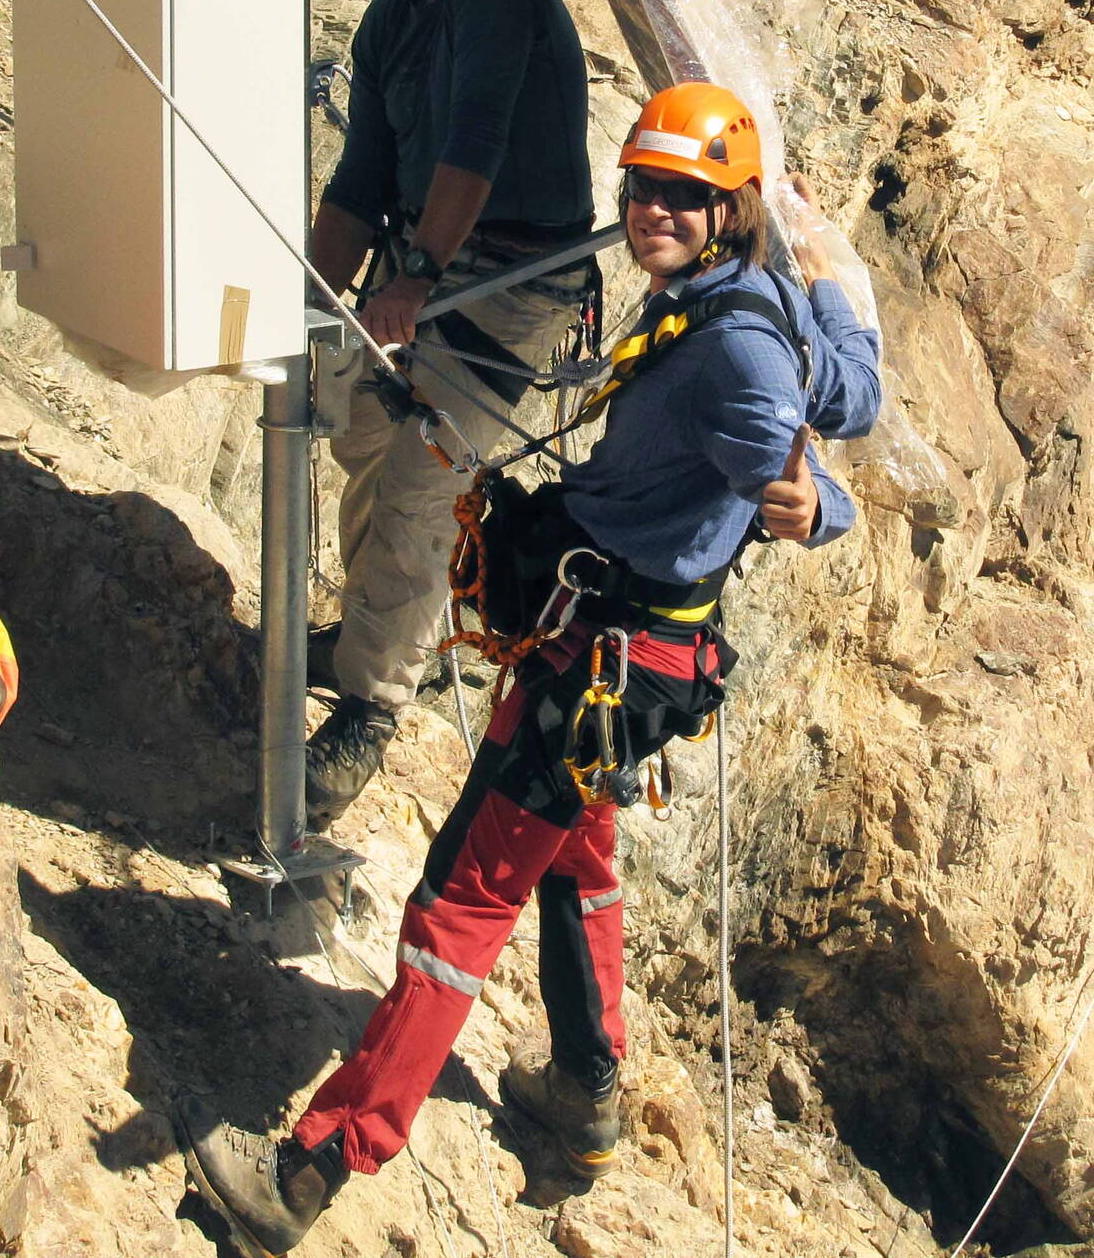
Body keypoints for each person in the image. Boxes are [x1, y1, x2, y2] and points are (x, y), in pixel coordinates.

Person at [180, 83, 882, 1254]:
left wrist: (817, 508)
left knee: (461, 897)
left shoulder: (738, 345)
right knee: (578, 855)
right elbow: (842, 391)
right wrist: (833, 293)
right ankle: (585, 1089)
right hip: (634, 651)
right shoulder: (742, 296)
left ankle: (311, 1170)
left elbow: (786, 450)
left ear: (727, 208)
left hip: (600, 662)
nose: (649, 210)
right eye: (640, 188)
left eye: (680, 195)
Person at [304, 0, 596, 830]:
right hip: (432, 261)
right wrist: (313, 292)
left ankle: (371, 704)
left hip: (514, 274)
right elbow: (360, 177)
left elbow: (477, 130)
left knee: (427, 476)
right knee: (361, 432)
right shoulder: (391, 21)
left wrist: (416, 271)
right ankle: (374, 631)